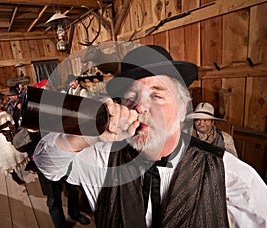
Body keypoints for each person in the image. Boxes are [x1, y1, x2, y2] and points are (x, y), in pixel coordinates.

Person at [50, 45, 267, 227]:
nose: (141, 107)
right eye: (131, 96)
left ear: (182, 108)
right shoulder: (102, 159)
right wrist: (90, 135)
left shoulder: (227, 172)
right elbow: (48, 162)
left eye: (157, 95)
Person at [33, 133, 91, 227]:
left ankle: (74, 213)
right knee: (53, 198)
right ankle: (60, 225)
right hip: (47, 161)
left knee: (73, 189)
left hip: (67, 158)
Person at [0, 92, 28, 185]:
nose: (6, 100)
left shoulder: (3, 108)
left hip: (12, 132)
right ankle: (14, 175)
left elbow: (10, 119)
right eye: (4, 99)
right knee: (9, 155)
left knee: (18, 150)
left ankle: (28, 166)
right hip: (3, 136)